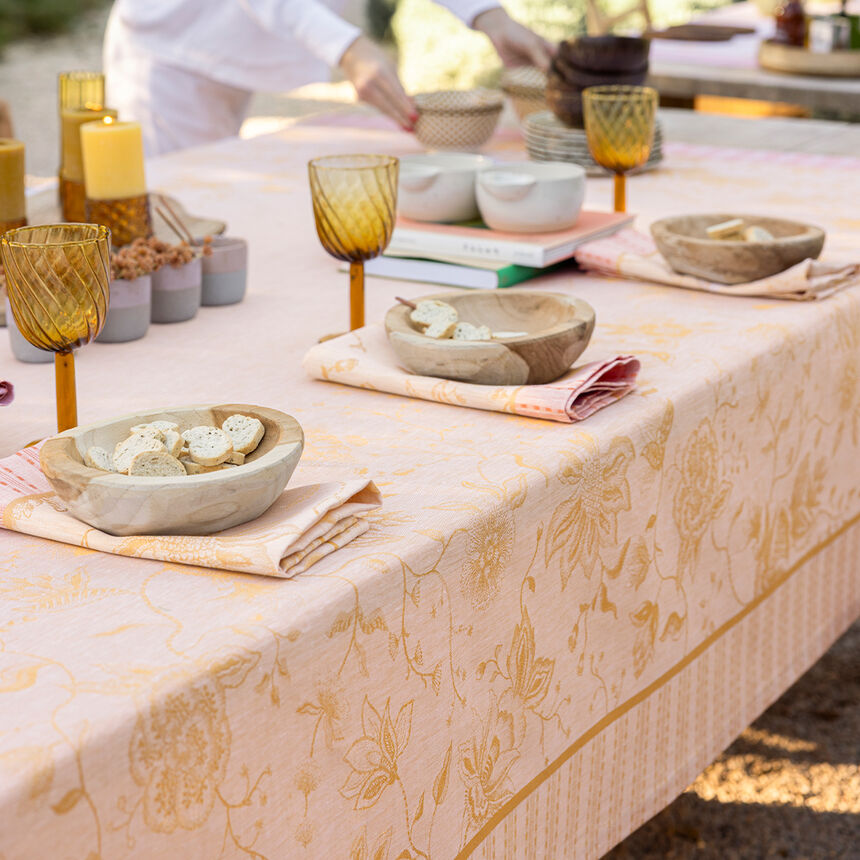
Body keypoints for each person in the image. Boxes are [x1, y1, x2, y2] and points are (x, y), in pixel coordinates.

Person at [104, 1, 553, 155]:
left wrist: (488, 15)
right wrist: (346, 47)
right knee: (172, 222)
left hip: (228, 50)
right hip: (170, 52)